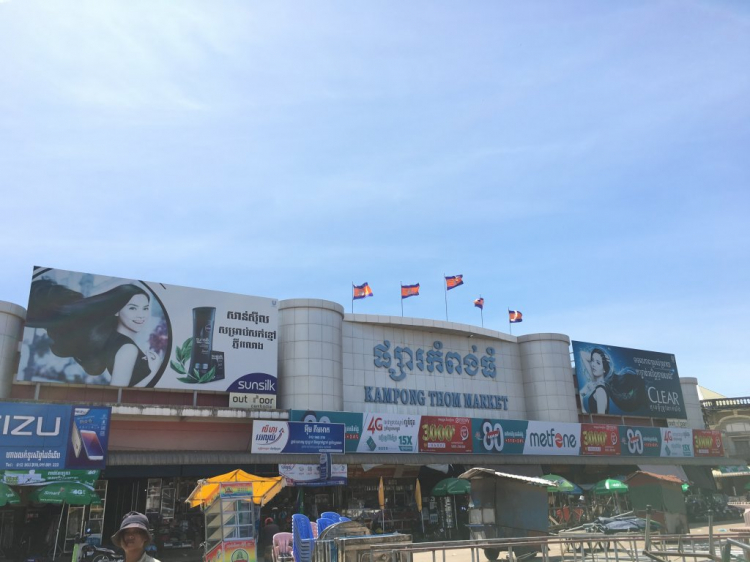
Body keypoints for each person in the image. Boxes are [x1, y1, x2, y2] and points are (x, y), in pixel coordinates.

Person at [25, 278, 162, 387]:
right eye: (133, 308)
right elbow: (118, 396)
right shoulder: (127, 348)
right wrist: (153, 371)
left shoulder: (115, 341)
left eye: (145, 308)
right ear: (117, 310)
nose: (141, 315)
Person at [579, 348, 611, 414]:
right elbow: (582, 354)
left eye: (598, 363)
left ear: (604, 368)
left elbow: (601, 419)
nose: (593, 364)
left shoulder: (600, 390)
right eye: (592, 360)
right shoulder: (595, 381)